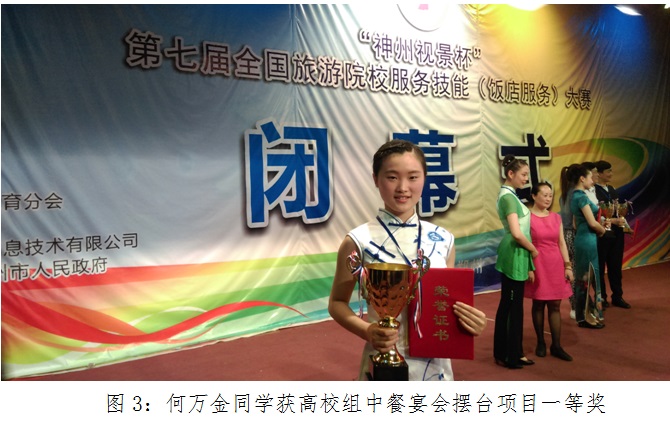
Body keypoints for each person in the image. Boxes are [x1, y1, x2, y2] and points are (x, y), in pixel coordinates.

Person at [328, 139, 487, 381]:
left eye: (413, 177)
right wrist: (368, 331)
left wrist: (469, 322)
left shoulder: (443, 239)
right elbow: (337, 302)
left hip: (436, 367)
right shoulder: (358, 240)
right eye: (392, 177)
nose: (403, 187)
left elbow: (444, 302)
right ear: (375, 179)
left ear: (425, 178)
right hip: (383, 361)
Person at [493, 155, 538, 369]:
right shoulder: (508, 198)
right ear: (511, 174)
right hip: (514, 253)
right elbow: (517, 233)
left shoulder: (510, 195)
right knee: (511, 307)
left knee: (511, 306)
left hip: (518, 253)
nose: (526, 179)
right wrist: (533, 250)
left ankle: (511, 352)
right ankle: (508, 354)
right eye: (523, 174)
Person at [524, 182, 574, 361]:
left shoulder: (556, 217)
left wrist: (567, 266)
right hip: (537, 263)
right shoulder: (527, 217)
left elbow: (561, 243)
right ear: (534, 196)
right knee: (538, 304)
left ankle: (556, 345)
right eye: (544, 195)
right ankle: (540, 342)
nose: (548, 199)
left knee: (555, 305)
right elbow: (524, 244)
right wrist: (529, 267)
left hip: (555, 263)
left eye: (550, 195)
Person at [563, 164, 609, 329]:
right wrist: (602, 230)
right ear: (582, 179)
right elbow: (591, 222)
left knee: (586, 278)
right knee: (587, 278)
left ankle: (586, 315)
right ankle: (585, 317)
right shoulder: (581, 197)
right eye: (590, 177)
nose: (592, 180)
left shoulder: (574, 195)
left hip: (584, 238)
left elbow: (577, 223)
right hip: (587, 240)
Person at [595, 160, 631, 309]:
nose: (611, 173)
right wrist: (611, 221)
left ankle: (617, 296)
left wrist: (624, 224)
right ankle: (601, 298)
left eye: (611, 170)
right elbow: (596, 215)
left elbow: (618, 210)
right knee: (600, 266)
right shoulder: (593, 191)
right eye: (608, 171)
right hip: (602, 234)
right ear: (599, 173)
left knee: (615, 266)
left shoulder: (612, 189)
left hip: (617, 233)